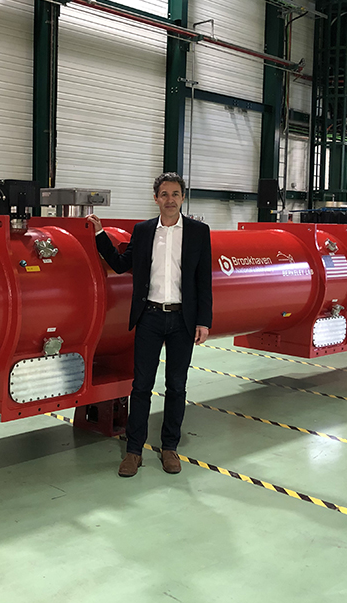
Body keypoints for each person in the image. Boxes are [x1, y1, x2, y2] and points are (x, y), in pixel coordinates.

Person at [87, 172, 212, 477]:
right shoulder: (143, 232)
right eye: (164, 194)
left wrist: (203, 321)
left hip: (182, 318)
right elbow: (119, 263)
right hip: (150, 317)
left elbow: (203, 280)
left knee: (176, 386)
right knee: (141, 386)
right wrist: (100, 234)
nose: (170, 200)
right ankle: (134, 451)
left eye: (175, 194)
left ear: (182, 198)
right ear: (155, 198)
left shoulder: (198, 232)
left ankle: (170, 448)